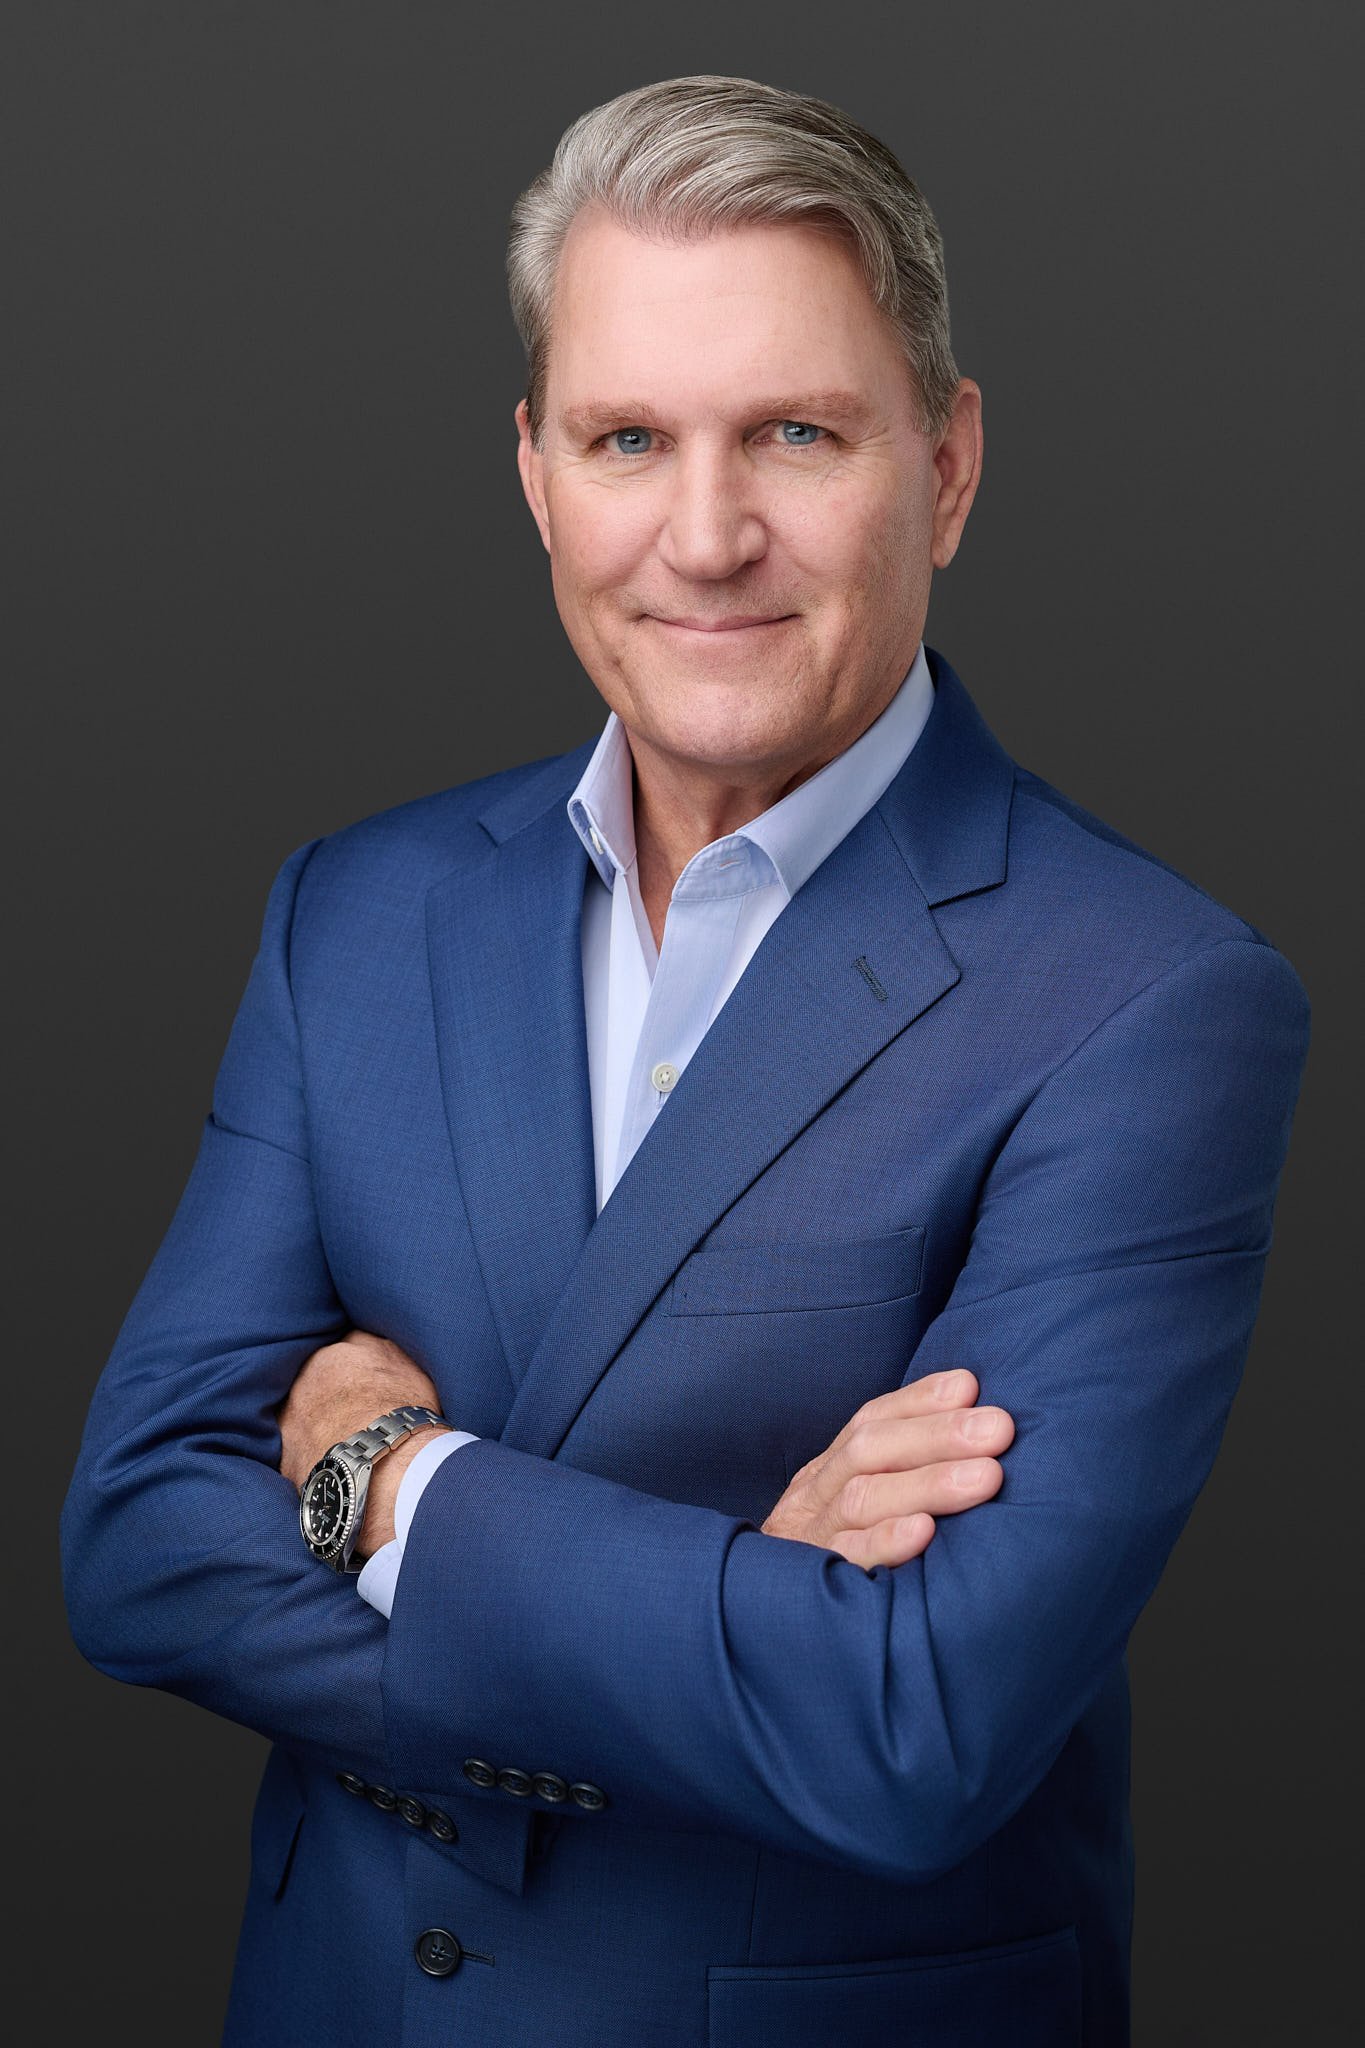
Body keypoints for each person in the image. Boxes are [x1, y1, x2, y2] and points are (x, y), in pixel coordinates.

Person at [60, 74, 1311, 2048]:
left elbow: (911, 1724)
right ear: (537, 476)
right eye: (626, 437)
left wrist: (390, 1485)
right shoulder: (354, 909)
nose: (703, 534)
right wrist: (737, 1609)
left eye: (795, 435)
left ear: (949, 467)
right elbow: (134, 1533)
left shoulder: (1147, 996)